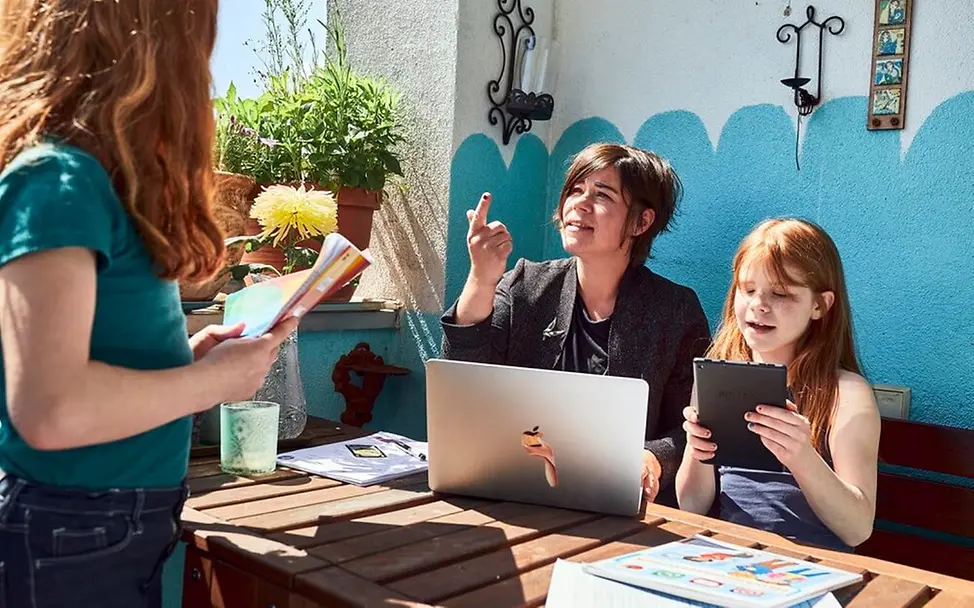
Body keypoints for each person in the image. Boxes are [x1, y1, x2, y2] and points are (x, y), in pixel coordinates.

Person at [0, 1, 298, 606]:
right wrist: (209, 383)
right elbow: (49, 409)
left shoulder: (97, 183)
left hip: (100, 529)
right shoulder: (58, 181)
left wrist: (188, 362)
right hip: (69, 531)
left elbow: (91, 356)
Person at [441, 143, 711, 506]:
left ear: (641, 222)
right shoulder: (526, 284)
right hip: (512, 491)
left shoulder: (675, 309)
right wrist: (481, 279)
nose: (579, 204)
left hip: (620, 506)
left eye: (602, 194)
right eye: (575, 190)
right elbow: (462, 384)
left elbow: (690, 427)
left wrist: (653, 458)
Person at [675, 219, 880, 551]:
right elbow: (692, 505)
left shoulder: (846, 393)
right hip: (728, 559)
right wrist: (697, 451)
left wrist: (802, 455)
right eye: (748, 289)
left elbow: (857, 528)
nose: (759, 304)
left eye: (780, 293)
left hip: (812, 567)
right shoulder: (719, 377)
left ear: (820, 305)